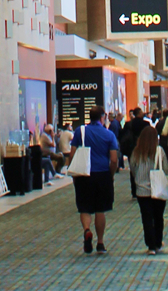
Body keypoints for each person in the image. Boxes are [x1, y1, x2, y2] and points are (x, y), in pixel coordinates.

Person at [73, 108, 122, 255]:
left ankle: (87, 230)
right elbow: (114, 159)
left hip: (83, 174)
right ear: (102, 117)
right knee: (100, 209)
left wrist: (74, 174)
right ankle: (100, 243)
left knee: (85, 208)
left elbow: (72, 154)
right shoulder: (109, 135)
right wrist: (111, 174)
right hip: (102, 175)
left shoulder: (80, 132)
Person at [128, 124, 168, 255]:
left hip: (142, 190)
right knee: (158, 217)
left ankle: (150, 245)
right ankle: (158, 242)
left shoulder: (136, 152)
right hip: (158, 189)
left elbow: (133, 168)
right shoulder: (159, 151)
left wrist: (138, 179)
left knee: (146, 218)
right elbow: (166, 169)